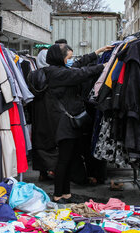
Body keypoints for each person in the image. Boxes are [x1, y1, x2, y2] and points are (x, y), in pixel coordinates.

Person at [44, 43, 112, 203]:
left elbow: (78, 65)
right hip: (64, 123)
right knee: (64, 160)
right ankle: (57, 194)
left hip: (69, 121)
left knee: (70, 159)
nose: (70, 61)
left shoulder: (60, 70)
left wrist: (96, 52)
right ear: (59, 58)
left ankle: (66, 193)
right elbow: (81, 73)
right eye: (68, 57)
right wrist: (104, 66)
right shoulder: (56, 73)